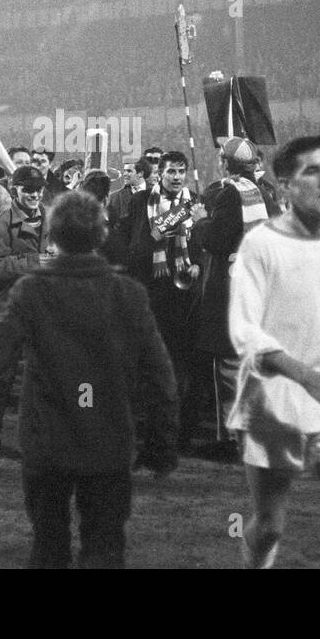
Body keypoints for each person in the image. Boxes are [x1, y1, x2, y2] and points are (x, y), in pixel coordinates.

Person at [0, 191, 179, 569]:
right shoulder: (127, 293)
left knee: (49, 547)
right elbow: (159, 373)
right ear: (101, 235)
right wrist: (162, 446)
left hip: (48, 441)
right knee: (104, 548)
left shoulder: (33, 291)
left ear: (54, 236)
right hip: (108, 440)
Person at [227, 135, 320, 570]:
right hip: (274, 402)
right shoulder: (259, 245)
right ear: (285, 185)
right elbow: (244, 331)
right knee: (271, 524)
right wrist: (305, 376)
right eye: (313, 171)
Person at [190, 138, 278, 459]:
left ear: (225, 163)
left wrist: (201, 219)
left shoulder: (231, 193)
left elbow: (215, 239)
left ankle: (229, 439)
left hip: (229, 291)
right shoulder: (267, 193)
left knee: (225, 365)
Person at [126, 151, 206, 449]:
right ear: (159, 173)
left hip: (184, 298)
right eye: (171, 171)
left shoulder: (195, 201)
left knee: (180, 366)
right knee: (149, 366)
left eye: (181, 171)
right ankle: (146, 431)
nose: (176, 176)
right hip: (151, 292)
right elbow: (137, 244)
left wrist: (196, 260)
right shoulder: (140, 201)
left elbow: (201, 241)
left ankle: (179, 435)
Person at [0, 165, 52, 457]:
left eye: (37, 189)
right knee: (0, 379)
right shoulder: (1, 223)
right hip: (6, 311)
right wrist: (36, 261)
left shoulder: (50, 219)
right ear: (14, 189)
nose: (34, 194)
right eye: (27, 189)